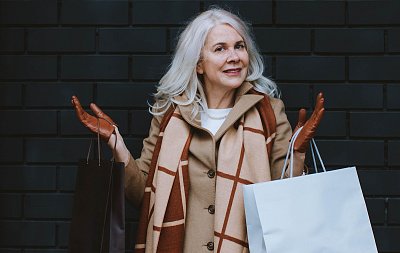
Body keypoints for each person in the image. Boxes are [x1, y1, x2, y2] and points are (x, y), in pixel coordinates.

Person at [71, 7, 324, 253]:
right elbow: (143, 194)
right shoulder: (170, 114)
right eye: (220, 49)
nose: (234, 56)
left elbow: (282, 200)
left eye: (239, 46)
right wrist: (117, 144)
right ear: (199, 64)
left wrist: (297, 152)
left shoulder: (269, 112)